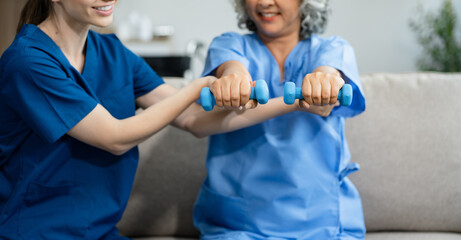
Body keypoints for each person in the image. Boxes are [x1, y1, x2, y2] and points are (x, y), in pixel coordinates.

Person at [0, 0, 300, 239]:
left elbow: (194, 120)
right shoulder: (28, 61)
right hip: (34, 230)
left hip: (99, 232)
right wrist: (199, 85)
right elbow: (114, 137)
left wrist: (297, 102)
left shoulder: (113, 53)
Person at [193, 0, 367, 239]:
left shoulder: (332, 48)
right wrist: (234, 79)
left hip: (323, 221)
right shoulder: (230, 44)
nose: (265, 2)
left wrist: (324, 80)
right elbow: (231, 66)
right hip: (240, 224)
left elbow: (328, 70)